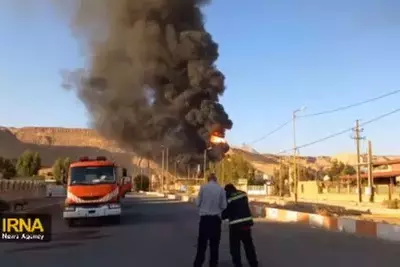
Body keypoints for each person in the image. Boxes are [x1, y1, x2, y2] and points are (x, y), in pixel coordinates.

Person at [193, 173, 227, 267]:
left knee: (202, 245)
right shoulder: (221, 189)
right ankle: (213, 264)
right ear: (216, 179)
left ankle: (198, 264)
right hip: (215, 220)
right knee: (214, 246)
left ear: (208, 179)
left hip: (204, 220)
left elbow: (197, 203)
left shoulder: (203, 188)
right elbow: (224, 206)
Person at [222, 183, 259, 267]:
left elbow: (226, 212)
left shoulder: (228, 197)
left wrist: (221, 216)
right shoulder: (243, 194)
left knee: (235, 247)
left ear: (227, 190)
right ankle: (253, 263)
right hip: (246, 224)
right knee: (248, 245)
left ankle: (237, 264)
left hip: (235, 226)